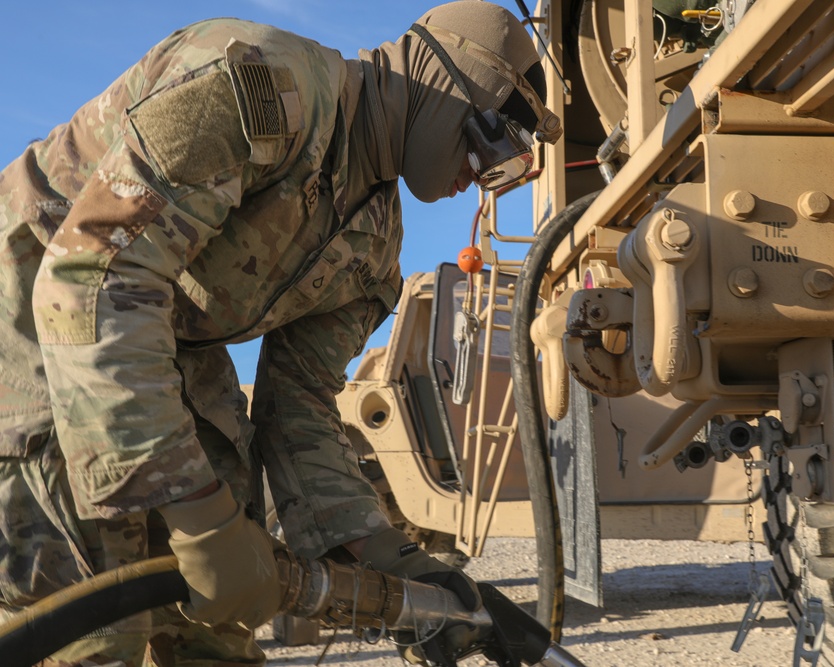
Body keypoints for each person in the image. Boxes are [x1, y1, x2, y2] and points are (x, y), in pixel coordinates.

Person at [0, 2, 561, 664]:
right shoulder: (262, 84)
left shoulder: (374, 254)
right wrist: (196, 512)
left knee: (218, 620)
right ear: (452, 84)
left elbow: (298, 408)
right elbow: (92, 272)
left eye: (505, 166)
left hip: (164, 345)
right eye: (490, 142)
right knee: (93, 628)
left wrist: (385, 555)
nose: (480, 176)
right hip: (36, 312)